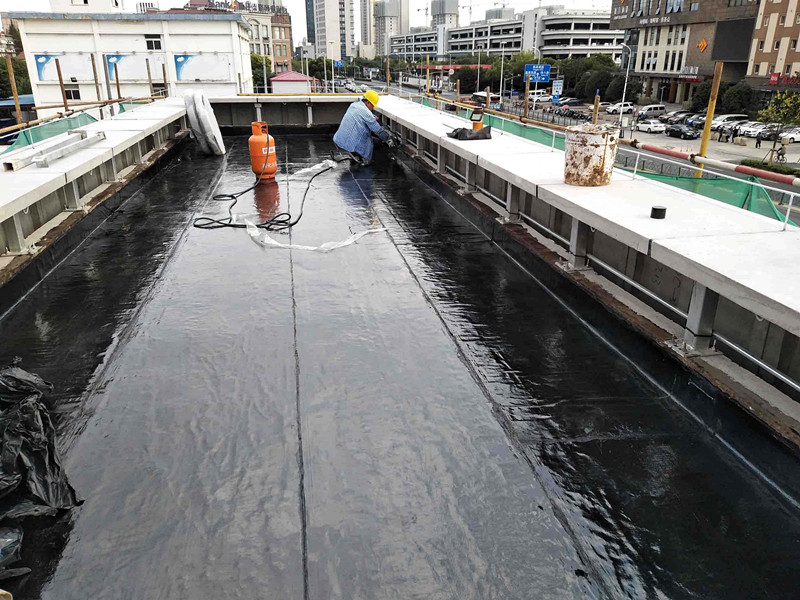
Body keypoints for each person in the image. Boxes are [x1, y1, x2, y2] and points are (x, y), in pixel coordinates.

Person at [333, 90, 393, 164]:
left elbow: (361, 115)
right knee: (377, 142)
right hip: (351, 144)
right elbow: (378, 130)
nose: (373, 107)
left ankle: (355, 154)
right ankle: (363, 158)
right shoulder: (367, 113)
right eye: (373, 105)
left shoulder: (354, 105)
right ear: (368, 102)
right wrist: (388, 139)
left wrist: (373, 117)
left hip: (341, 139)